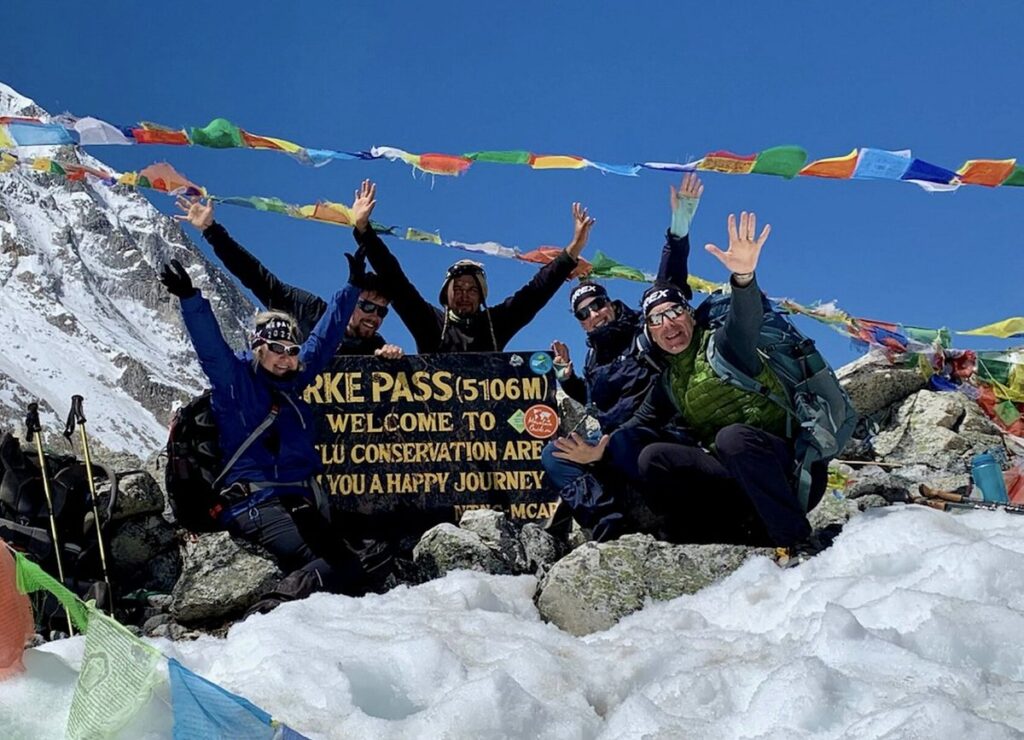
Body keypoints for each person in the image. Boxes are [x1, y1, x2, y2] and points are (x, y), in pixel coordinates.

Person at [558, 212, 828, 549]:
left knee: (731, 438)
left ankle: (797, 542)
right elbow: (636, 422)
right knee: (653, 458)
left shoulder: (725, 346)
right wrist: (601, 447)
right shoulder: (669, 382)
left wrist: (743, 277)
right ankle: (728, 537)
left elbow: (746, 318)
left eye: (674, 312)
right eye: (657, 320)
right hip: (737, 476)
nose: (669, 324)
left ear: (689, 313)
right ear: (652, 334)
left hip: (791, 471)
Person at [158, 251, 370, 605]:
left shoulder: (294, 381)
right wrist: (190, 298)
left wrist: (353, 287)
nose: (286, 357)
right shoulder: (235, 386)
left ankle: (298, 597)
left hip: (296, 501)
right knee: (340, 567)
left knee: (361, 565)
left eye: (291, 349)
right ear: (259, 348)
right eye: (276, 348)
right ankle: (272, 608)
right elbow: (210, 348)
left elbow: (326, 337)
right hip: (255, 504)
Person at [542, 174, 703, 541]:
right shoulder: (593, 359)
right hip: (611, 445)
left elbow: (668, 286)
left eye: (597, 304)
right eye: (583, 312)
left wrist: (678, 231)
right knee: (554, 454)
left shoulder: (644, 333)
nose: (593, 314)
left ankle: (675, 517)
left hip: (658, 438)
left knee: (625, 444)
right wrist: (568, 379)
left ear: (611, 305)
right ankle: (609, 523)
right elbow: (596, 402)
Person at [349, 180, 594, 353]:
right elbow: (395, 279)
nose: (465, 295)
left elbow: (534, 293)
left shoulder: (496, 324)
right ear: (446, 293)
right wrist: (363, 231)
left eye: (472, 289)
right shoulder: (429, 323)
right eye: (459, 288)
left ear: (482, 296)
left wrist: (571, 252)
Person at [174, 196, 403, 360]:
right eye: (367, 306)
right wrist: (212, 231)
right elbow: (257, 277)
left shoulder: (376, 347)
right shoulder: (310, 311)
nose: (374, 316)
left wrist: (391, 360)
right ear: (352, 300)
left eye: (381, 311)